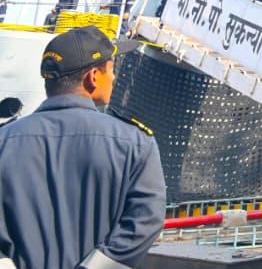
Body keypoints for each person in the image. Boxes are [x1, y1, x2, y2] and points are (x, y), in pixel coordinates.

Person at [0, 26, 165, 268]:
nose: (115, 77)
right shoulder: (135, 142)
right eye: (112, 69)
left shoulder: (5, 141)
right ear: (93, 77)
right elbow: (145, 221)